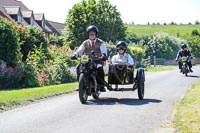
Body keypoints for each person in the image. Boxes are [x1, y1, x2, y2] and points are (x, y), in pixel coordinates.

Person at [71, 25, 107, 92]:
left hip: (98, 60)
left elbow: (104, 51)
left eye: (93, 34)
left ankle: (101, 85)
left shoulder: (101, 42)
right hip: (87, 60)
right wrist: (75, 54)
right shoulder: (85, 43)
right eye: (90, 34)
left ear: (96, 34)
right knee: (78, 67)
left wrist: (104, 55)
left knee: (99, 68)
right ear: (88, 35)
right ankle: (80, 84)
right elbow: (80, 50)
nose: (92, 35)